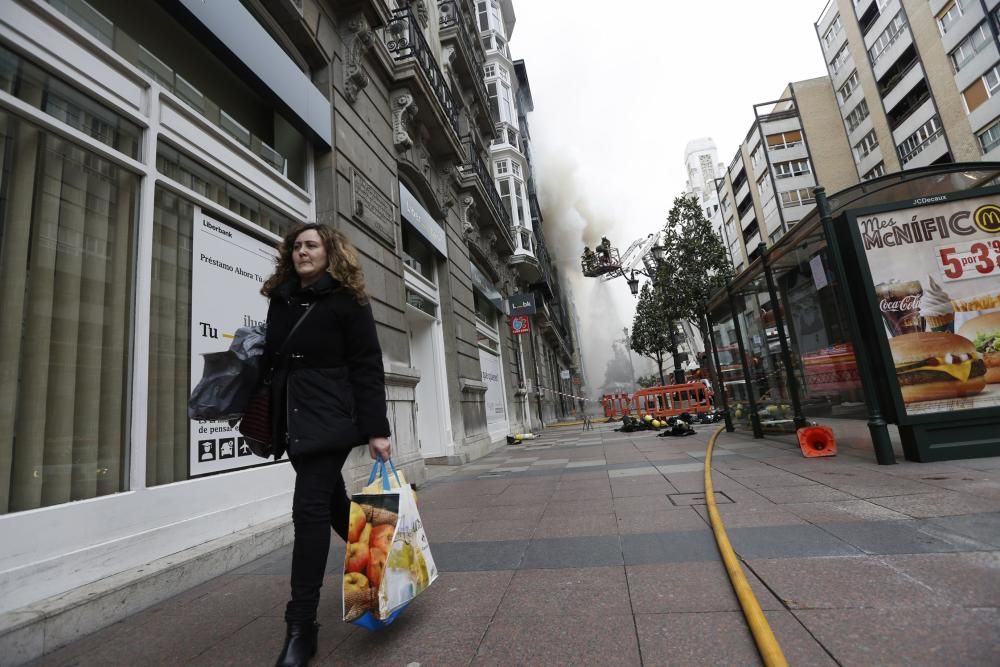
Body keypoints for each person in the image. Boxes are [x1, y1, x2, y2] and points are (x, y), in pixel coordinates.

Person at [260, 223, 392, 667]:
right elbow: (272, 360)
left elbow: (367, 365)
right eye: (296, 246)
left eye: (311, 245)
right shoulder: (281, 299)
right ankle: (382, 571)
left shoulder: (347, 302)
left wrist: (377, 428)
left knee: (309, 508)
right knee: (333, 505)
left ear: (329, 251)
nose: (302, 251)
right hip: (294, 418)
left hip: (332, 419)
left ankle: (300, 628)